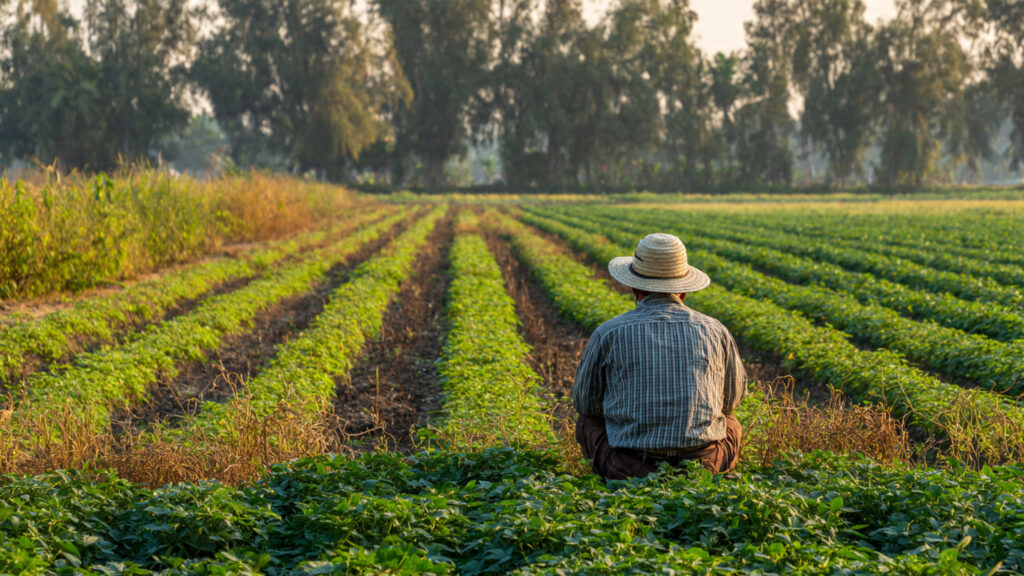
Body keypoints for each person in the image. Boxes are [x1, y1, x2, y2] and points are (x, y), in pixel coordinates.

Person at [573, 232, 747, 480]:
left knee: (587, 422)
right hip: (702, 465)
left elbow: (585, 403)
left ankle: (616, 484)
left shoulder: (609, 332)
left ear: (634, 286)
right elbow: (730, 402)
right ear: (684, 290)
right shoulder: (715, 330)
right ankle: (707, 481)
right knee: (730, 421)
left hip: (628, 466)